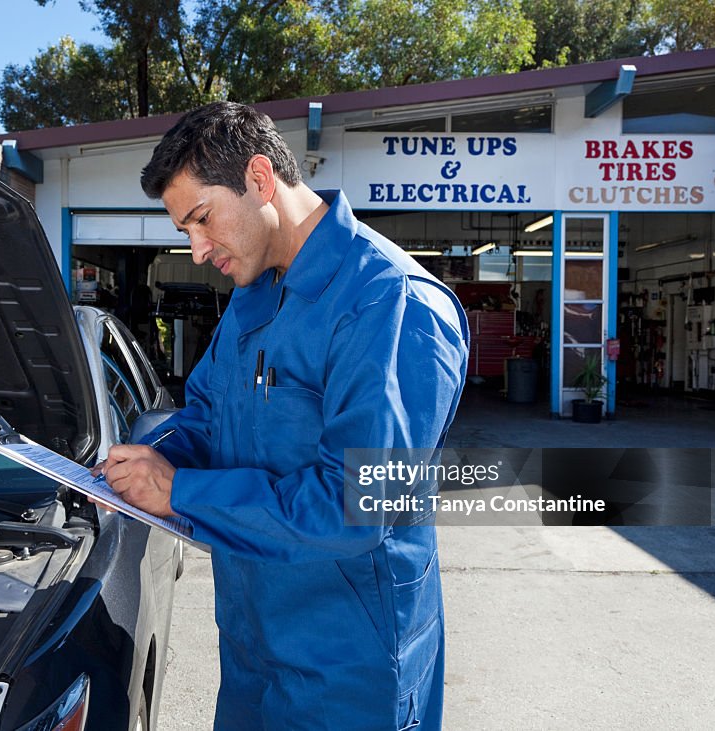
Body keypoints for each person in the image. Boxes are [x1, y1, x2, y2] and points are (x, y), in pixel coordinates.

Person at [97, 101, 469, 730]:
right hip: (253, 650)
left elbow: (357, 506)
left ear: (261, 178)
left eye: (202, 219)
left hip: (350, 669)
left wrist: (179, 490)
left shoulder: (393, 305)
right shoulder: (253, 297)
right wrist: (143, 465)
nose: (195, 249)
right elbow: (207, 420)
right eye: (185, 229)